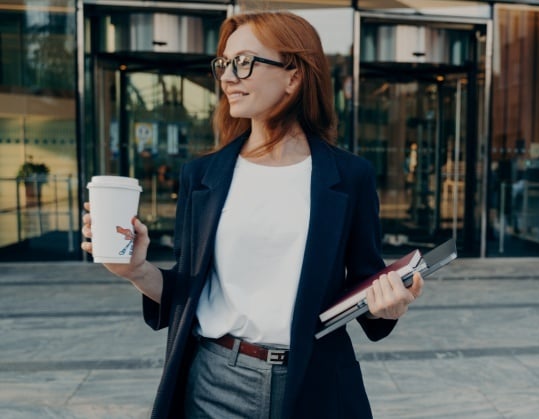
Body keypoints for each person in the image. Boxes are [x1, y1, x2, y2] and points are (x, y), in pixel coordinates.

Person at [81, 11, 424, 418]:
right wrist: (136, 270)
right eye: (224, 64)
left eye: (244, 62)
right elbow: (190, 292)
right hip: (214, 384)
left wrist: (389, 305)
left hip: (314, 382)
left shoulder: (350, 177)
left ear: (293, 76)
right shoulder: (202, 176)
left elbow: (366, 289)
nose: (227, 77)